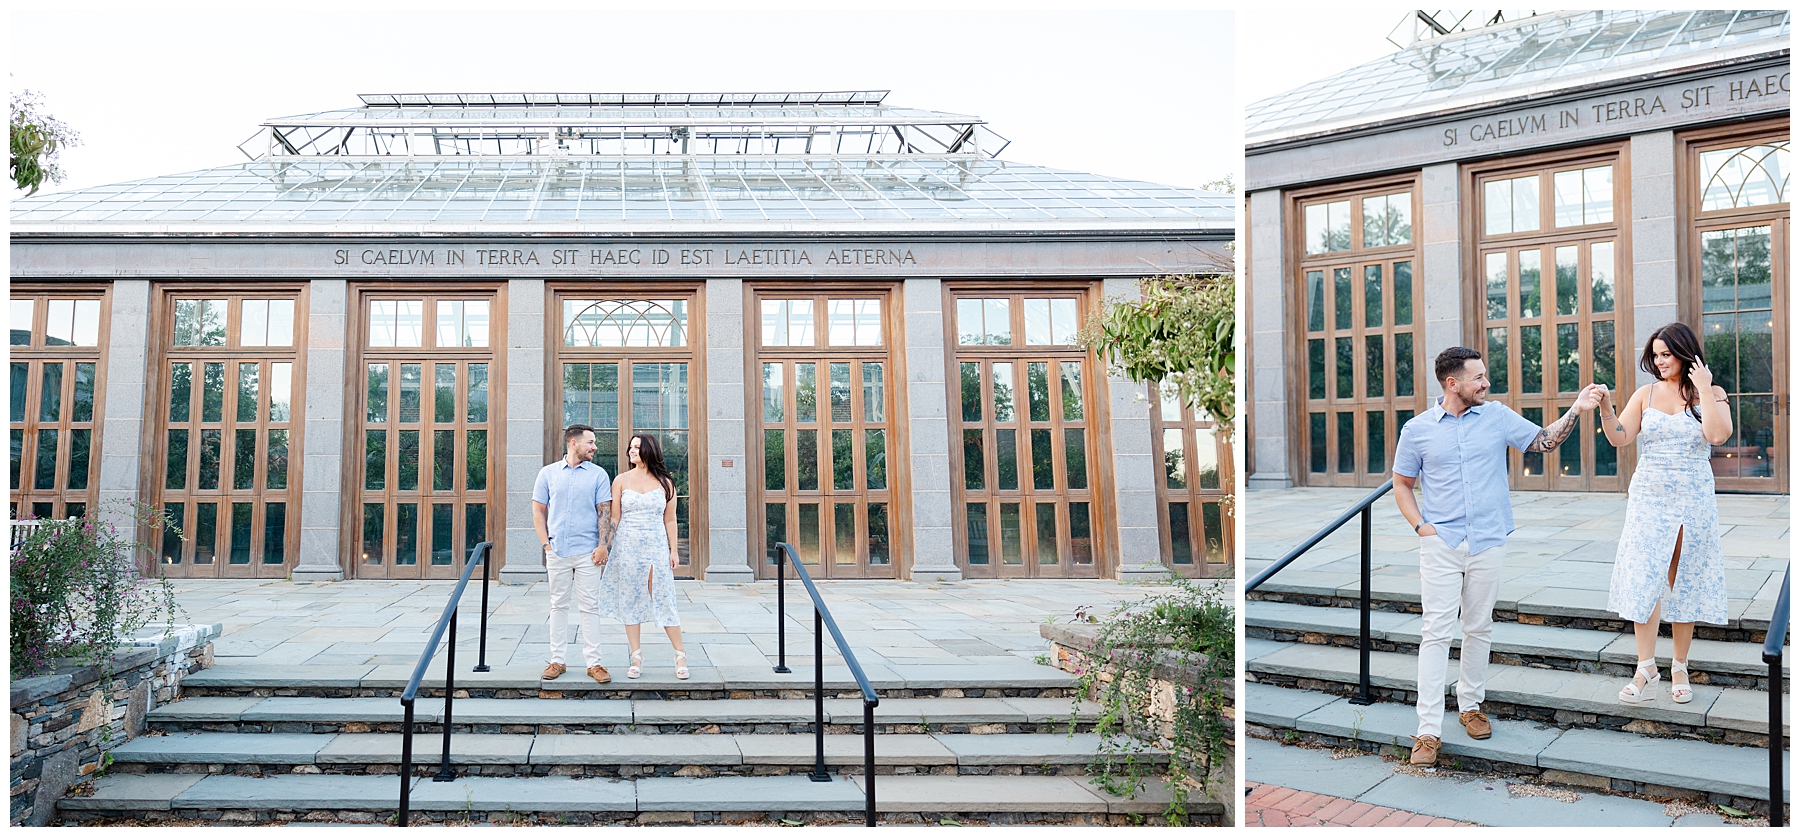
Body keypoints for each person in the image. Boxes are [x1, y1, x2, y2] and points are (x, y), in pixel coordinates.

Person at [1391, 346, 1602, 766]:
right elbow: (1401, 483)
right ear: (1453, 384)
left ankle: (1470, 706)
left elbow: (1543, 441)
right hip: (1442, 543)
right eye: (1478, 377)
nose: (1486, 383)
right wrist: (1421, 527)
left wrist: (1576, 409)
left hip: (1489, 540)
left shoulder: (1497, 416)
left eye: (1485, 375)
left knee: (1478, 626)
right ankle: (1428, 731)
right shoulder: (1417, 430)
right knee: (1436, 634)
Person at [1597, 322, 1732, 705]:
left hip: (1693, 495)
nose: (1659, 362)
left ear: (1685, 353)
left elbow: (1718, 436)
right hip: (1648, 495)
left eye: (1666, 354)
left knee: (1683, 573)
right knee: (1644, 574)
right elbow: (1621, 436)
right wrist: (1607, 408)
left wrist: (1704, 387)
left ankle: (1679, 664)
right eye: (1655, 355)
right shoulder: (1645, 393)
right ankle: (1645, 666)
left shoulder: (1713, 392)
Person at [600, 432, 688, 680]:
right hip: (628, 545)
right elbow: (614, 517)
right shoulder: (621, 481)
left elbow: (669, 519)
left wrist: (674, 550)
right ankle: (636, 655)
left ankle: (680, 653)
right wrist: (606, 544)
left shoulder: (666, 483)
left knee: (663, 596)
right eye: (630, 447)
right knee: (630, 597)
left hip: (655, 545)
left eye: (637, 447)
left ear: (649, 450)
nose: (631, 451)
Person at [531, 424, 613, 684]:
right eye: (590, 442)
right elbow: (538, 511)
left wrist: (603, 545)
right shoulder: (548, 474)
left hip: (589, 552)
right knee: (558, 605)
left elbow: (605, 511)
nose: (595, 447)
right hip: (558, 551)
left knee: (590, 607)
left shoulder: (599, 475)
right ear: (573, 443)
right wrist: (546, 545)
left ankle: (595, 663)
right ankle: (557, 660)